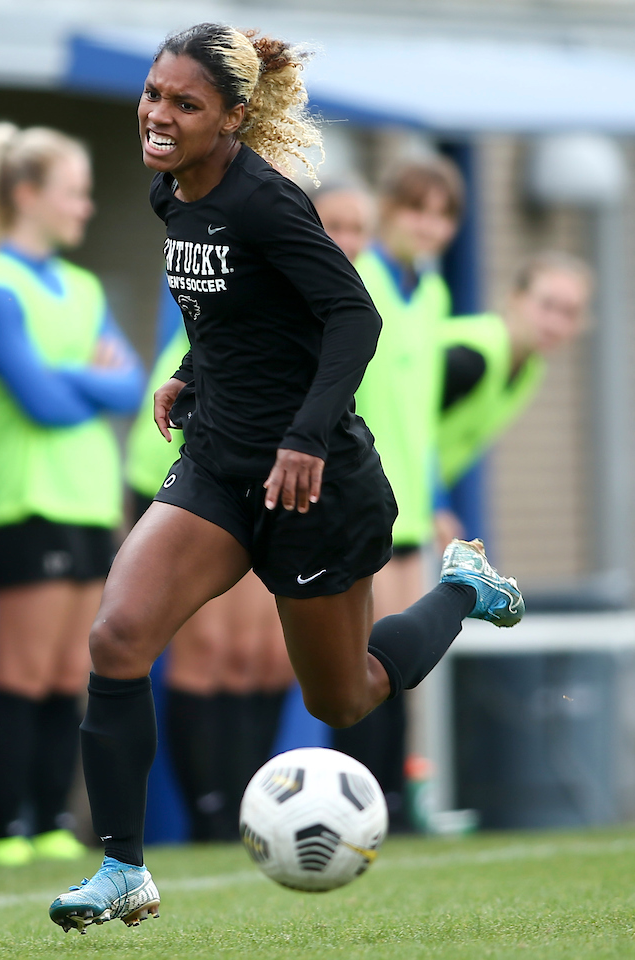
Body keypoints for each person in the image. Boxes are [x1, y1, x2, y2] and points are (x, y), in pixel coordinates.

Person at [47, 24, 525, 934]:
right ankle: (121, 870)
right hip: (221, 467)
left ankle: (463, 588)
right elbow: (237, 304)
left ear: (231, 118)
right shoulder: (167, 191)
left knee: (340, 698)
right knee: (117, 640)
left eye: (184, 104)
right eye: (154, 94)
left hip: (314, 484)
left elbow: (353, 314)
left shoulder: (266, 200)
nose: (158, 114)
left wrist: (306, 436)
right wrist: (194, 366)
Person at [0, 124, 144, 866]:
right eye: (74, 191)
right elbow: (40, 402)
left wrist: (73, 378)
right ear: (26, 195)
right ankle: (8, 828)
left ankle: (45, 823)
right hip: (26, 500)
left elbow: (130, 385)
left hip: (86, 499)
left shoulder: (85, 286)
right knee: (22, 673)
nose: (87, 207)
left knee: (69, 679)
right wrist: (85, 381)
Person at [333, 157, 463, 829]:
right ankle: (359, 802)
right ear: (389, 209)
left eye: (443, 215)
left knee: (403, 667)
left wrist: (438, 496)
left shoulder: (433, 292)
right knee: (363, 670)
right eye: (417, 209)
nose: (430, 226)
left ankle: (391, 803)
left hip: (413, 509)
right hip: (365, 503)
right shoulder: (360, 279)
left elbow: (424, 417)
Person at [125, 324, 293, 843]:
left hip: (261, 475)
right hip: (193, 474)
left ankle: (247, 806)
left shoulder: (331, 298)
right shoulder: (257, 280)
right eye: (341, 233)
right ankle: (210, 815)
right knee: (210, 649)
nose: (349, 242)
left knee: (263, 657)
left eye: (358, 233)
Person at [439, 251, 593, 494]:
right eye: (547, 305)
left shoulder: (530, 367)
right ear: (514, 298)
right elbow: (399, 425)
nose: (555, 323)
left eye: (569, 313)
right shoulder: (472, 357)